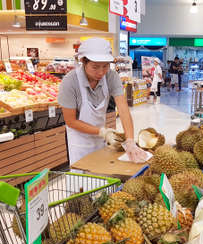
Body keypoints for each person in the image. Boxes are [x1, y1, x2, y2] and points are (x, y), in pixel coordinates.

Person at [57, 38, 147, 168]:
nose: (101, 72)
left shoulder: (111, 76)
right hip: (79, 142)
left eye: (105, 66)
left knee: (100, 176)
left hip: (101, 140)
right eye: (95, 67)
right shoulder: (70, 81)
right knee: (81, 181)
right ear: (83, 61)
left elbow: (123, 108)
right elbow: (70, 121)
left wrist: (130, 140)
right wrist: (102, 132)